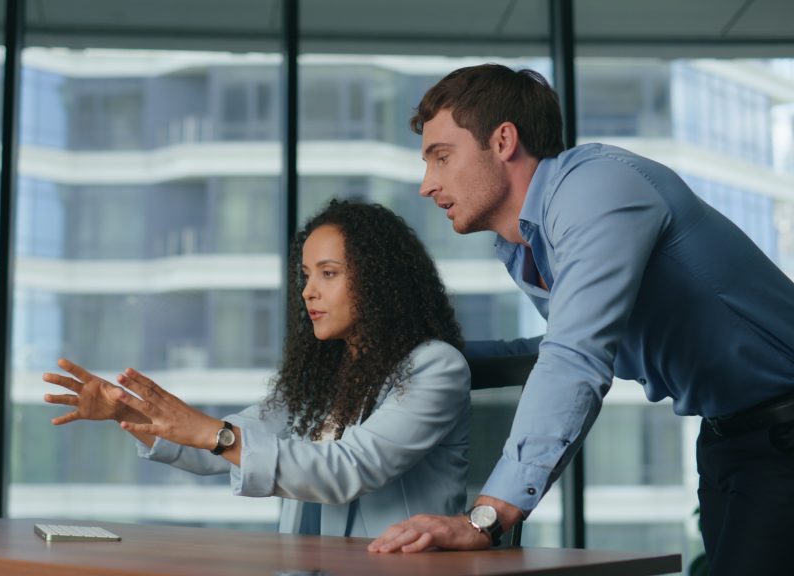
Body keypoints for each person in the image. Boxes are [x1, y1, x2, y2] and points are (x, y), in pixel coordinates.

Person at [366, 63, 794, 574]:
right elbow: (567, 343)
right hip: (729, 437)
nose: (426, 185)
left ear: (503, 141)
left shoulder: (596, 189)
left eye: (441, 157)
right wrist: (432, 360)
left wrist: (488, 516)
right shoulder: (524, 242)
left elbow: (576, 358)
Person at [43, 199, 472, 538]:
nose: (308, 291)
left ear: (381, 280)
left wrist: (214, 433)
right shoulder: (326, 375)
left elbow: (348, 469)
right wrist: (132, 413)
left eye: (328, 273)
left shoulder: (434, 368)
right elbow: (229, 445)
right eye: (306, 275)